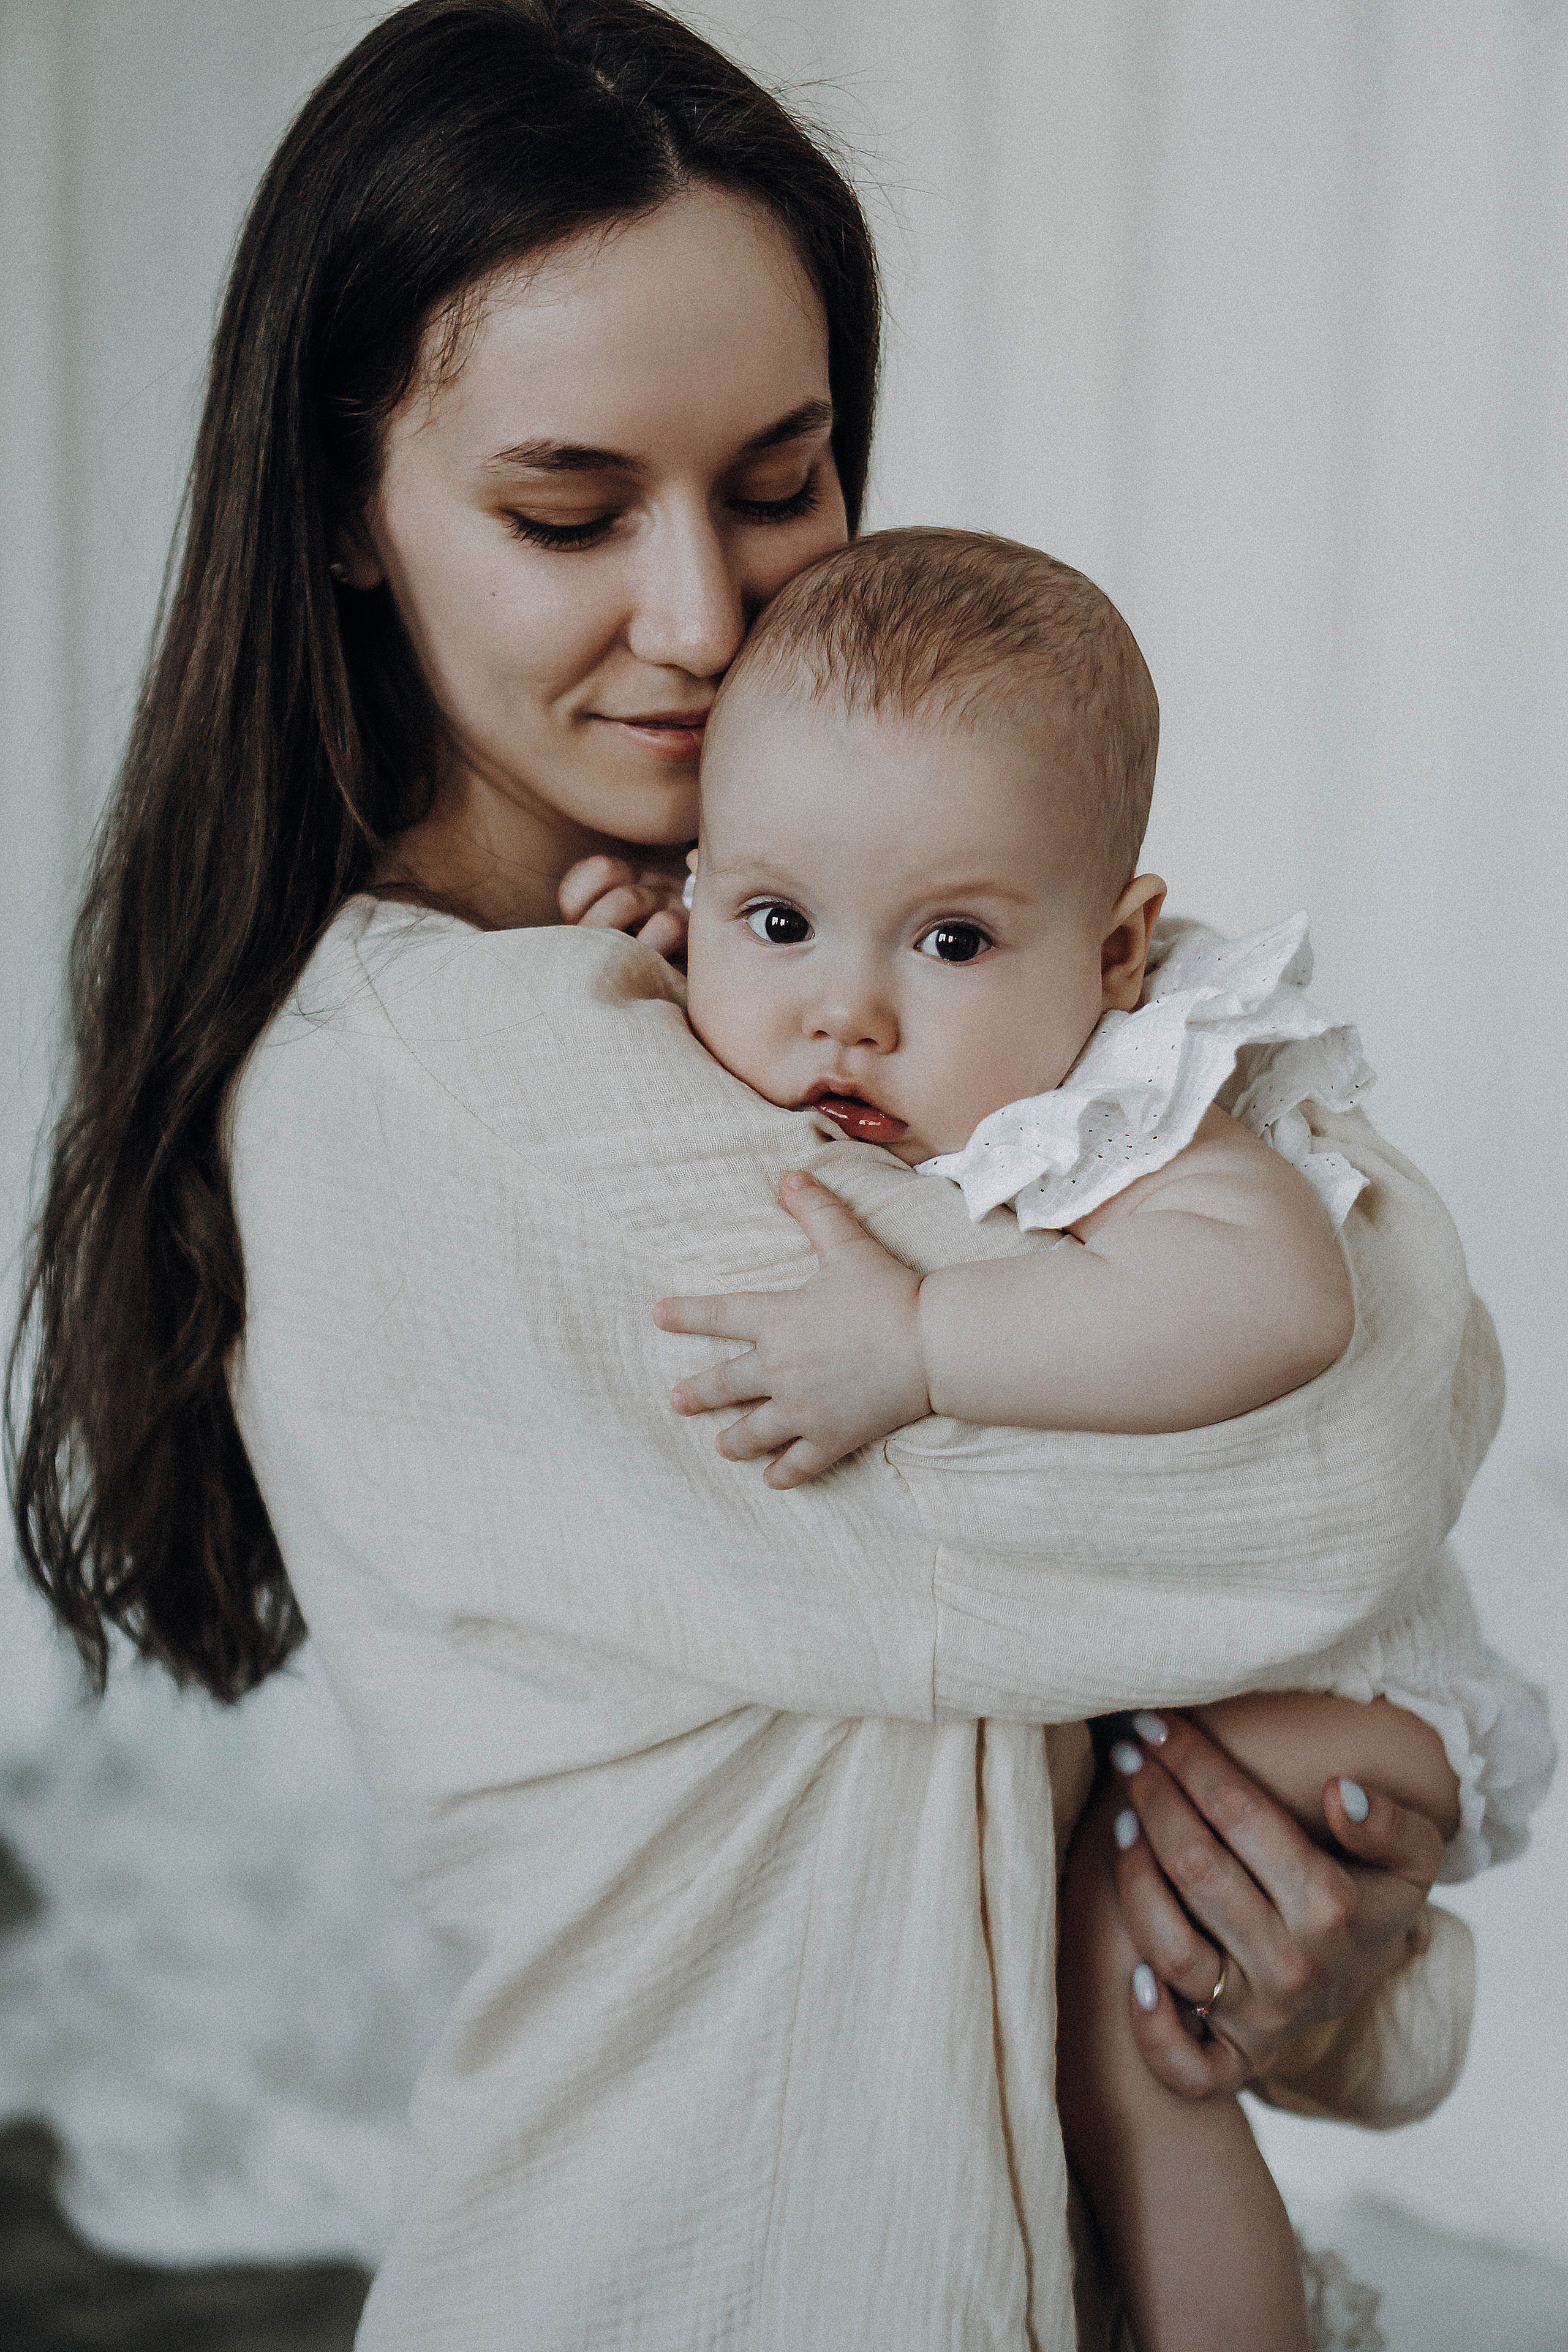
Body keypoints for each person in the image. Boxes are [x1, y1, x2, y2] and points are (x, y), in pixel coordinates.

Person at [4, 5, 1504, 2345]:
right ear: (342, 510)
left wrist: (1328, 1974)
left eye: (783, 481)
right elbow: (1354, 1441)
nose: (705, 622)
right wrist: (1284, 1232)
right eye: (568, 512)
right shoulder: (453, 1095)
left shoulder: (736, 939)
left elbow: (1144, 1785)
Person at [644, 527, 1555, 2351]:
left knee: (1116, 2016)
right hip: (1202, 1678)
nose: (851, 1008)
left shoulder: (1134, 1096)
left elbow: (1280, 1300)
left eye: (955, 939)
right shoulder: (844, 1049)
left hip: (1348, 1686)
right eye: (773, 921)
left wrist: (919, 1341)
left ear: (1120, 947)